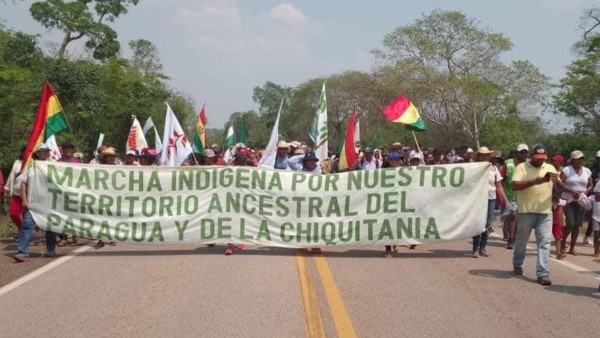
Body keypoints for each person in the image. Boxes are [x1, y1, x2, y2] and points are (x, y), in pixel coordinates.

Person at [512, 144, 561, 286]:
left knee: (544, 243)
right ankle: (517, 262)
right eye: (537, 158)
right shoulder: (522, 167)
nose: (540, 161)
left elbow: (559, 186)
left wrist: (557, 185)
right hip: (526, 210)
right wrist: (536, 181)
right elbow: (515, 185)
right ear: (532, 156)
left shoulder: (550, 168)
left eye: (543, 158)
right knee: (522, 240)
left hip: (545, 212)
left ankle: (543, 273)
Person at [13, 144, 59, 262]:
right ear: (37, 153)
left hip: (48, 203)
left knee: (50, 227)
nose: (46, 153)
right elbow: (23, 183)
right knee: (28, 226)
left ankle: (51, 249)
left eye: (47, 151)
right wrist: (24, 200)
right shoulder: (30, 166)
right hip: (33, 203)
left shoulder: (54, 166)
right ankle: (22, 252)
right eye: (43, 151)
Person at [472, 147, 507, 258]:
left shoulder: (494, 169)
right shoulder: (473, 168)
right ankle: (475, 247)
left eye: (485, 155)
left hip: (490, 198)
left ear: (489, 157)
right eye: (481, 155)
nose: (483, 157)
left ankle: (483, 247)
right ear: (478, 156)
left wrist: (505, 200)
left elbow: (499, 186)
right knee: (478, 222)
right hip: (477, 198)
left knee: (487, 223)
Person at [560, 150, 593, 256]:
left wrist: (585, 192)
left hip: (581, 201)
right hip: (568, 200)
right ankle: (563, 241)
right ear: (573, 160)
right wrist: (571, 191)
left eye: (582, 158)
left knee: (577, 225)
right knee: (570, 222)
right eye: (578, 159)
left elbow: (590, 185)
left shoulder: (587, 171)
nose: (580, 161)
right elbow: (559, 184)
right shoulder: (567, 170)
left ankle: (572, 247)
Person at [550, 154, 567, 259]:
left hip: (556, 204)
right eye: (553, 161)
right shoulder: (548, 171)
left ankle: (558, 251)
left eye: (556, 161)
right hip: (547, 203)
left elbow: (560, 189)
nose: (554, 162)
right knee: (546, 228)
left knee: (557, 227)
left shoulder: (560, 174)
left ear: (560, 162)